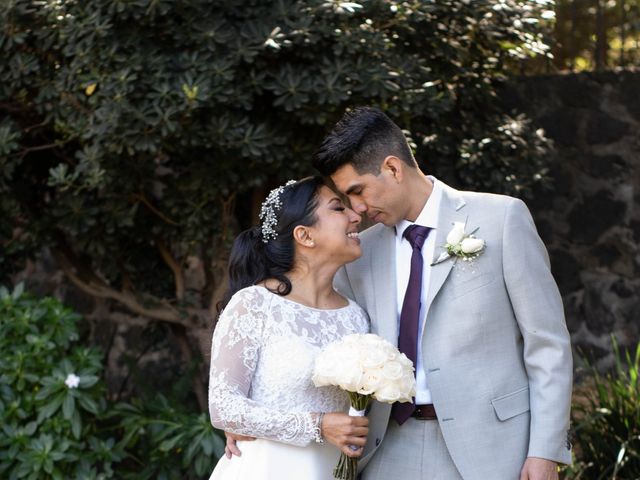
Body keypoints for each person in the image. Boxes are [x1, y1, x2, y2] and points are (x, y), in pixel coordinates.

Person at [309, 107, 573, 480]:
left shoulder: (502, 219)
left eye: (358, 191)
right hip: (388, 448)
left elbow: (547, 344)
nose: (358, 209)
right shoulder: (359, 254)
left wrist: (545, 451)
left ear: (394, 168)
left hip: (494, 449)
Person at [208, 176, 370, 480]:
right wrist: (318, 425)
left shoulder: (357, 316)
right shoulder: (254, 304)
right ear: (305, 235)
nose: (355, 216)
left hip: (333, 470)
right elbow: (224, 407)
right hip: (267, 469)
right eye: (338, 208)